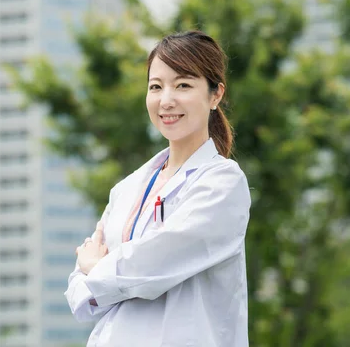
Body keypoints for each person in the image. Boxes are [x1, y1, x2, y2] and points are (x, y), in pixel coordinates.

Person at [64, 30, 251, 346]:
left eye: (183, 85)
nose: (166, 100)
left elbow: (157, 262)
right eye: (156, 87)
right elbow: (79, 291)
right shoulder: (127, 188)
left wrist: (97, 269)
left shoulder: (222, 183)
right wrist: (100, 274)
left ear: (215, 95)